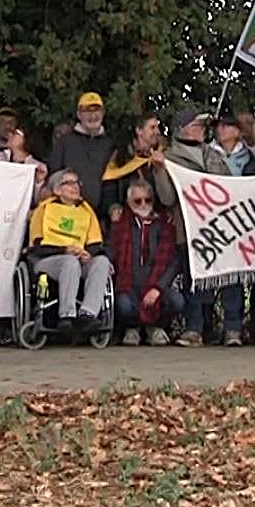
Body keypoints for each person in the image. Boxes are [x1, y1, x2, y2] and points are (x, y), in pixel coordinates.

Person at [154, 109, 242, 346]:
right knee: (194, 281)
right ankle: (195, 329)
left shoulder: (213, 155)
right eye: (198, 125)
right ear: (183, 130)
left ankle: (233, 329)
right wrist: (160, 171)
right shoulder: (169, 159)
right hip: (190, 231)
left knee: (229, 277)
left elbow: (232, 187)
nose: (204, 130)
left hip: (222, 229)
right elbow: (167, 198)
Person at [29, 169, 113, 330]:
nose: (75, 186)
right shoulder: (44, 210)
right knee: (70, 261)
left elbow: (95, 243)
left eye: (76, 182)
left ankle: (88, 314)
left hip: (78, 259)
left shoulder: (86, 211)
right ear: (57, 190)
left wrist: (88, 254)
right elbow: (37, 246)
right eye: (68, 183)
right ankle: (66, 315)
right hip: (48, 260)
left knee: (102, 262)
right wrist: (65, 250)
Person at [109, 180, 183, 346]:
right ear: (128, 202)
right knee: (123, 305)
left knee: (177, 301)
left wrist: (158, 288)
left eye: (147, 200)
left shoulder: (165, 224)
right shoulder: (120, 223)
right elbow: (110, 249)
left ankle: (154, 327)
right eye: (137, 201)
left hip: (156, 286)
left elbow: (173, 262)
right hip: (128, 286)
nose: (143, 204)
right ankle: (132, 328)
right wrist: (107, 262)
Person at [47, 92, 114, 211]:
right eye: (87, 111)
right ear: (78, 114)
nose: (92, 115)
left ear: (103, 113)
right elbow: (54, 177)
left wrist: (112, 207)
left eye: (96, 110)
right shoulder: (65, 142)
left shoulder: (110, 145)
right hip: (69, 212)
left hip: (102, 216)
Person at [100, 115, 166, 222]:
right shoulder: (122, 155)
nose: (157, 132)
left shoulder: (163, 155)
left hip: (157, 220)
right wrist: (113, 208)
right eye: (152, 128)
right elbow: (110, 185)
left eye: (157, 128)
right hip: (127, 221)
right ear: (139, 130)